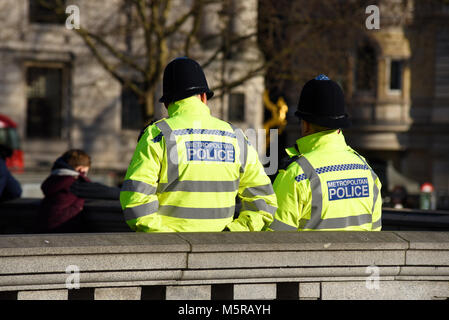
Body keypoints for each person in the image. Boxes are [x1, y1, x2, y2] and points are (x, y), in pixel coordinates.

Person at [120, 57, 277, 232]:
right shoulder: (236, 137)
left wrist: (168, 240)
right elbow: (265, 202)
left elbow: (135, 202)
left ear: (167, 103)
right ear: (203, 97)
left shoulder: (158, 134)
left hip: (171, 253)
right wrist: (233, 234)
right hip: (222, 253)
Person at [270, 74, 382, 231]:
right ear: (339, 126)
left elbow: (274, 242)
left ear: (306, 124)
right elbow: (375, 235)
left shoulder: (297, 174)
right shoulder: (366, 171)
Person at [36, 149, 120, 233]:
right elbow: (104, 192)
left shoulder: (55, 179)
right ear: (80, 169)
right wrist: (126, 193)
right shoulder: (73, 183)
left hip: (44, 228)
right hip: (61, 230)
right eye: (85, 172)